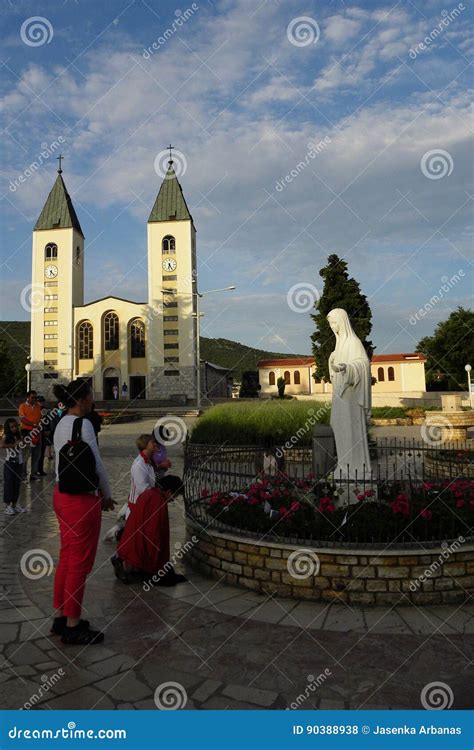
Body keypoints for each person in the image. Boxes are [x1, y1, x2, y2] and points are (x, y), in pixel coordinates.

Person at [52, 378, 116, 645]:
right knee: (80, 562)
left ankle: (61, 615)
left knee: (67, 557)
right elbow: (97, 464)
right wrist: (108, 494)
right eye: (90, 396)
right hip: (81, 500)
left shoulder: (60, 423)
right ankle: (73, 624)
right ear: (81, 400)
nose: (93, 400)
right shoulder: (84, 424)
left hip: (61, 494)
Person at [113, 475, 186, 586]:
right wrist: (155, 563)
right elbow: (154, 533)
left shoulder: (149, 493)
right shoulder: (159, 501)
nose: (173, 500)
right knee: (166, 579)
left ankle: (125, 563)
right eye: (174, 496)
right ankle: (132, 566)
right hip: (139, 548)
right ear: (170, 492)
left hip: (129, 543)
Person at [327, 308, 371, 480]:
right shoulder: (339, 345)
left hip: (351, 396)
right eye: (330, 323)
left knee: (350, 429)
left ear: (343, 321)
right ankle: (344, 464)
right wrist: (332, 364)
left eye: (334, 322)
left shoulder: (353, 342)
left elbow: (363, 364)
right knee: (338, 426)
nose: (332, 326)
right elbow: (335, 372)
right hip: (340, 395)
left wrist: (348, 368)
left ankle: (357, 467)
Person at [1, 419, 26, 515]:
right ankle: (7, 506)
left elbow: (22, 445)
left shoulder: (19, 435)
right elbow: (1, 445)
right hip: (10, 463)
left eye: (15, 426)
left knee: (17, 484)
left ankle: (14, 505)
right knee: (9, 484)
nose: (14, 428)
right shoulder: (6, 436)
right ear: (8, 428)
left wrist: (22, 443)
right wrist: (13, 445)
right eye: (12, 427)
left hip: (19, 462)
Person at [18, 390, 42, 481]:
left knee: (36, 454)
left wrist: (39, 427)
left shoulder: (38, 406)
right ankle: (23, 475)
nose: (34, 399)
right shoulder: (22, 406)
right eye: (33, 397)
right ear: (28, 397)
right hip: (26, 432)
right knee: (26, 454)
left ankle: (34, 474)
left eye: (36, 397)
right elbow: (22, 419)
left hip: (37, 432)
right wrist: (34, 425)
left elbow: (40, 418)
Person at [36, 396, 50, 476]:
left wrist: (47, 429)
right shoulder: (35, 409)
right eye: (39, 401)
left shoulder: (44, 409)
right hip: (35, 431)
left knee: (41, 451)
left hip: (42, 431)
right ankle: (36, 469)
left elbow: (46, 420)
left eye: (41, 401)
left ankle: (40, 469)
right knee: (36, 452)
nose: (40, 403)